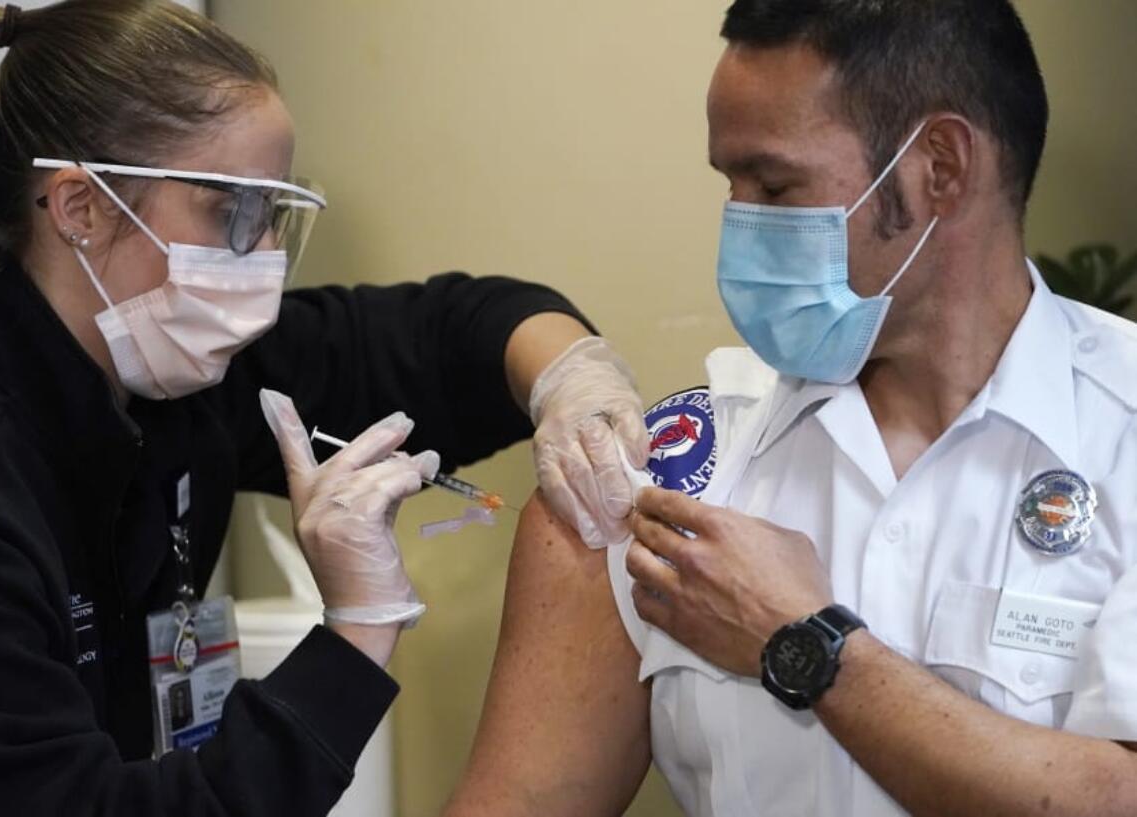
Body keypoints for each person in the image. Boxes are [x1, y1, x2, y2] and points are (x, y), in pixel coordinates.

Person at [0, 2, 648, 814]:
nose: (263, 257)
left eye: (272, 214)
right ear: (80, 209)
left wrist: (572, 381)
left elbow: (451, 335)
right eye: (231, 213)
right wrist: (358, 629)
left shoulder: (168, 367)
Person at [445, 1, 1137, 815]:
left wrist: (807, 642)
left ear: (940, 167)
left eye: (774, 184)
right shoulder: (664, 472)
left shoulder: (1120, 434)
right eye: (730, 187)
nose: (740, 229)